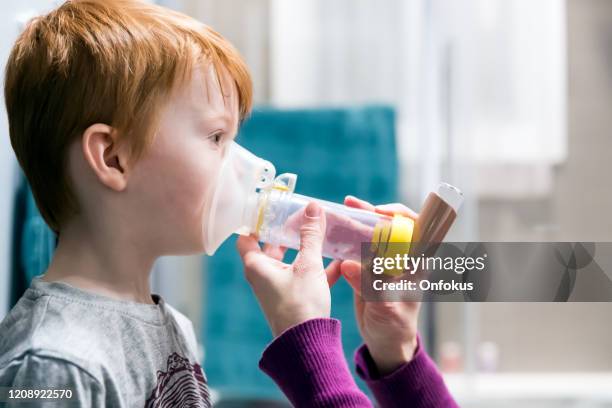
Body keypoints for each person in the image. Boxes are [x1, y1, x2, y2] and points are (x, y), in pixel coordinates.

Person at [0, 0, 457, 406]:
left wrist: (390, 351)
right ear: (113, 158)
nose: (250, 165)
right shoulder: (52, 367)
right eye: (217, 137)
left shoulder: (169, 326)